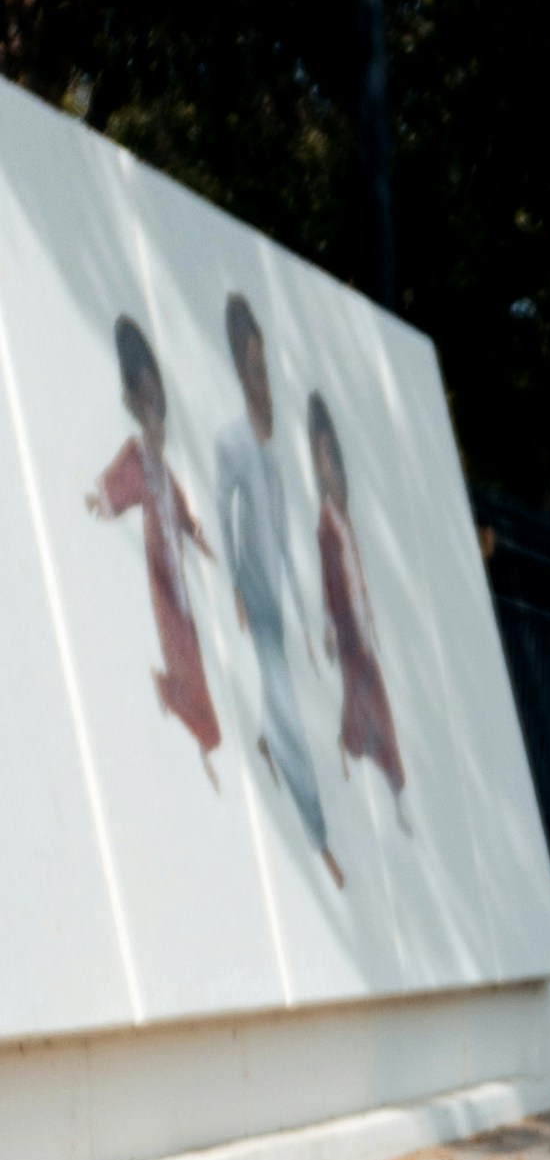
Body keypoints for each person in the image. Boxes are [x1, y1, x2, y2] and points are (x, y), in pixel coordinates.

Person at [213, 288, 343, 887]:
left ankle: (268, 739)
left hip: (279, 591)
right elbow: (222, 507)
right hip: (257, 594)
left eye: (263, 364)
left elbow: (287, 539)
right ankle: (319, 839)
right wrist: (238, 586)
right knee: (286, 698)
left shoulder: (272, 443)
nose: (260, 376)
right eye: (250, 366)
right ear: (238, 369)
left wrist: (310, 616)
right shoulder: (233, 440)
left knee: (280, 690)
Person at [84, 314, 222, 767]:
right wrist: (99, 500)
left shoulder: (163, 464)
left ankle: (189, 711)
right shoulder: (139, 455)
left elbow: (180, 508)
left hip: (178, 572)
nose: (153, 402)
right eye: (142, 396)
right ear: (131, 400)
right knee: (178, 646)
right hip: (162, 574)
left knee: (192, 649)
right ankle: (189, 714)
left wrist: (197, 536)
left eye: (155, 391)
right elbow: (115, 487)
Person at [306, 389, 408, 812]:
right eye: (323, 459)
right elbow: (331, 584)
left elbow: (357, 577)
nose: (333, 468)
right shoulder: (326, 526)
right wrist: (330, 627)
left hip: (361, 629)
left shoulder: (345, 520)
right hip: (348, 631)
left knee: (365, 698)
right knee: (369, 697)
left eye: (336, 457)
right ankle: (389, 778)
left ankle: (362, 754)